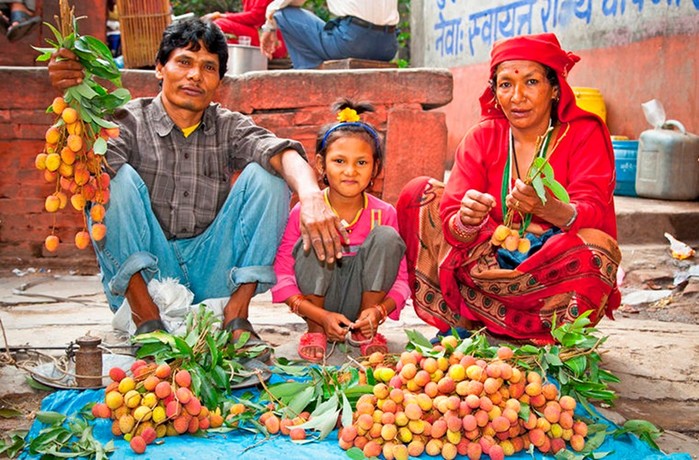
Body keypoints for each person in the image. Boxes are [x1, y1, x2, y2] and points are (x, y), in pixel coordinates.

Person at [47, 18, 346, 359]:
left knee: (270, 175)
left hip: (213, 271)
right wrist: (73, 99)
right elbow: (88, 174)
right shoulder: (128, 121)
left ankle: (236, 316)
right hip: (146, 278)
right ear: (160, 68)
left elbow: (284, 153)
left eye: (208, 67)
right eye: (184, 62)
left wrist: (310, 197)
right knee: (112, 178)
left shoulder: (227, 125)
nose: (195, 75)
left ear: (219, 80)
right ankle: (147, 321)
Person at [396, 33, 621, 345]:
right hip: (485, 269)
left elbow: (594, 209)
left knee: (596, 246)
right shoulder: (482, 138)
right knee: (420, 194)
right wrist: (467, 218)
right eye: (505, 84)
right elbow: (451, 216)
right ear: (495, 91)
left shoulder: (584, 134)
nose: (517, 96)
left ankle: (556, 336)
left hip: (548, 275)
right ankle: (462, 320)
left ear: (554, 89)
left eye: (531, 82)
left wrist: (548, 209)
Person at [271, 99, 410, 362]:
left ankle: (365, 332)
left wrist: (379, 312)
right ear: (321, 166)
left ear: (375, 169)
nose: (350, 171)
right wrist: (319, 317)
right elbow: (281, 273)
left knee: (386, 237)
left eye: (361, 163)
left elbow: (402, 279)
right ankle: (315, 331)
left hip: (365, 305)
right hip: (318, 308)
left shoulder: (384, 214)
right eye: (339, 161)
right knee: (317, 234)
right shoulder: (306, 212)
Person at [259, 0, 399, 69]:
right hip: (388, 46)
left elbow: (287, 3)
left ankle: (309, 75)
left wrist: (269, 25)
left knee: (283, 14)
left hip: (353, 41)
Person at [202, 0, 288, 59]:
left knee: (219, 24)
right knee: (222, 36)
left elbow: (255, 17)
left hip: (270, 42)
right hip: (259, 35)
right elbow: (248, 19)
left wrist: (221, 15)